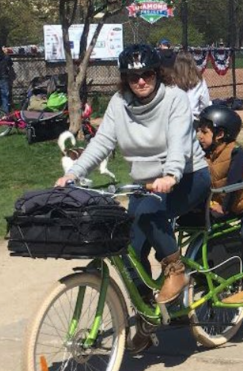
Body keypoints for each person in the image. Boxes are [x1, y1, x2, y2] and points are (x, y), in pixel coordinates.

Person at [55, 44, 211, 309]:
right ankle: (146, 314)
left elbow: (179, 142)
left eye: (147, 74)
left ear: (158, 73)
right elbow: (102, 142)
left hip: (187, 176)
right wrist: (73, 173)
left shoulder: (175, 98)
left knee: (150, 214)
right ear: (124, 79)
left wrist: (171, 175)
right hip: (147, 184)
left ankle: (175, 270)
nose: (140, 81)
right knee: (128, 249)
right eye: (132, 76)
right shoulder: (119, 103)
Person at [196, 105, 243, 290]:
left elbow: (233, 186)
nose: (199, 136)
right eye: (198, 130)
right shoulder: (206, 153)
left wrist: (224, 208)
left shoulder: (237, 153)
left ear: (219, 134)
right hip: (222, 202)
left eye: (204, 131)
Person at [163, 51, 210, 122]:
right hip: (193, 119)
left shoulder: (170, 79)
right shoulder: (199, 80)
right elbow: (205, 103)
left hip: (173, 119)